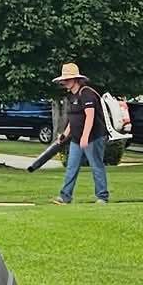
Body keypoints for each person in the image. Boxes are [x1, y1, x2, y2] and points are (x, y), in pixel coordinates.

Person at [49, 62, 111, 205]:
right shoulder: (72, 96)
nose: (65, 82)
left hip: (94, 137)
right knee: (71, 166)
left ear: (76, 79)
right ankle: (65, 197)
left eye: (68, 79)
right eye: (64, 79)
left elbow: (90, 116)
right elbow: (74, 119)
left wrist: (85, 137)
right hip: (77, 138)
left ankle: (102, 196)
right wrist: (64, 134)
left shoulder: (86, 93)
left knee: (96, 165)